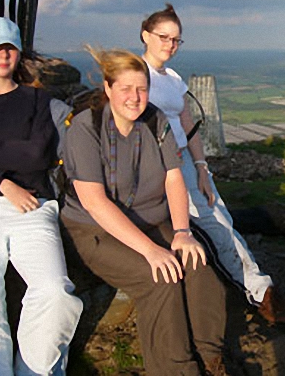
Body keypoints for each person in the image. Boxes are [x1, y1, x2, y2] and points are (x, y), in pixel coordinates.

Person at [61, 47, 227, 376]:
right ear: (108, 89)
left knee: (198, 264)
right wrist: (151, 251)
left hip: (152, 218)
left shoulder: (155, 120)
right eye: (126, 88)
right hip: (96, 230)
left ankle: (210, 358)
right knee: (160, 280)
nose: (135, 98)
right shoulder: (85, 128)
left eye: (142, 88)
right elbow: (94, 202)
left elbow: (173, 177)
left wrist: (182, 233)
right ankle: (176, 369)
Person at [140, 4, 285, 323]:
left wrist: (202, 168)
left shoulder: (172, 78)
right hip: (161, 168)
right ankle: (259, 293)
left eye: (176, 40)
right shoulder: (138, 76)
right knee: (216, 227)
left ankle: (258, 288)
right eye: (163, 37)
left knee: (223, 221)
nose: (169, 44)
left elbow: (188, 126)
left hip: (184, 163)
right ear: (145, 35)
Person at [0, 17, 83, 375]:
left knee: (55, 293)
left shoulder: (39, 101)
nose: (3, 55)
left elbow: (36, 155)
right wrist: (3, 182)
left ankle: (34, 369)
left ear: (18, 52)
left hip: (33, 208)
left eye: (9, 47)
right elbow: (27, 154)